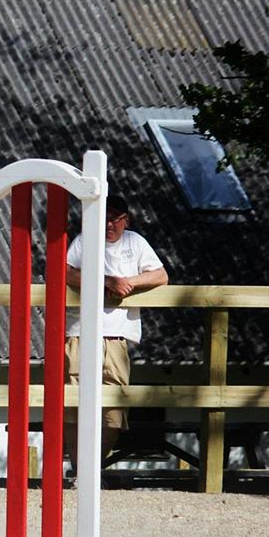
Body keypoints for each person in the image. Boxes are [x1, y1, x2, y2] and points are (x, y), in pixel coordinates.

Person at [64, 194, 168, 468]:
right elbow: (65, 272)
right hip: (80, 333)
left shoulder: (135, 242)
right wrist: (105, 281)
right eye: (105, 218)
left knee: (114, 410)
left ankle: (92, 469)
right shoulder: (85, 240)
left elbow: (160, 275)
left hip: (118, 336)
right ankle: (79, 472)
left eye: (115, 218)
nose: (109, 224)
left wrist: (127, 283)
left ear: (125, 220)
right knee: (74, 407)